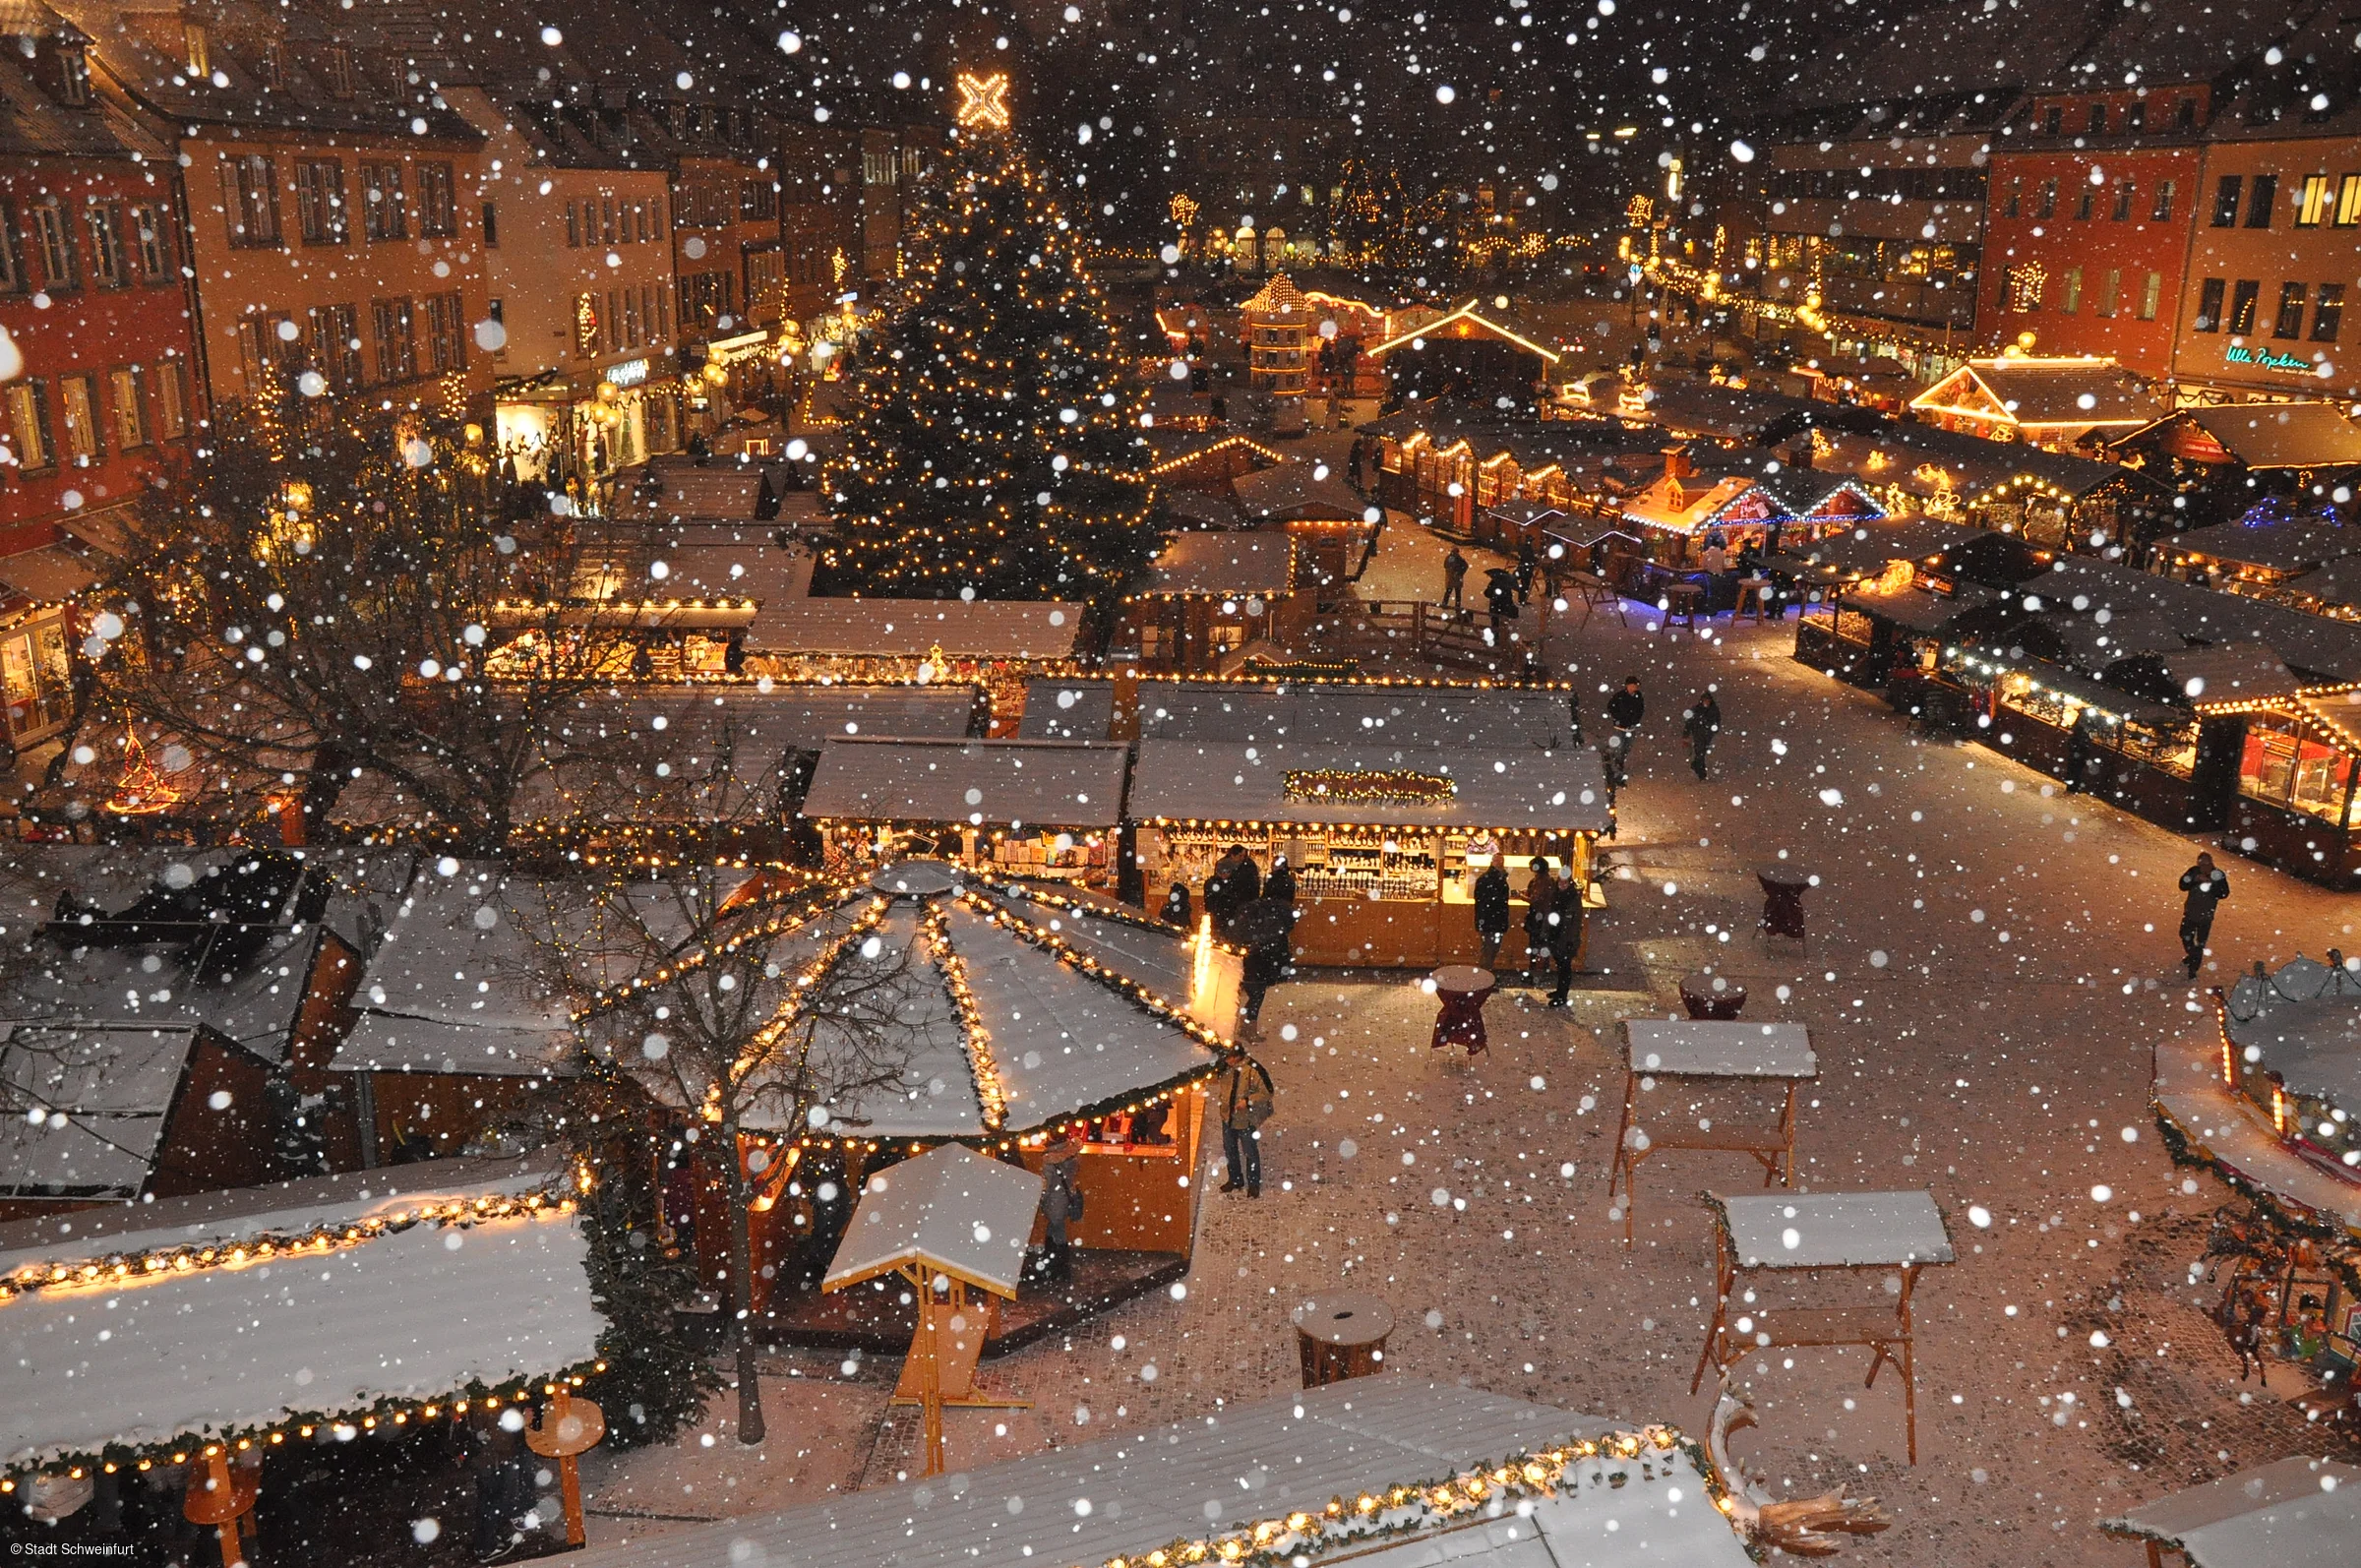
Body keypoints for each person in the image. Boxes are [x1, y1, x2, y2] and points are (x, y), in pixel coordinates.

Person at [1216, 1045, 1275, 1197]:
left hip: (1246, 1119)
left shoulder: (1253, 1070)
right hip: (1228, 1116)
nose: (1226, 1061)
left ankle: (1253, 1184)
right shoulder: (1225, 1067)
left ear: (1236, 1057)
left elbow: (1267, 1092)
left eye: (1229, 1058)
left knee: (1250, 1151)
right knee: (1230, 1149)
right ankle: (1235, 1179)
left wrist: (1248, 1101)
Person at [1034, 1136, 1081, 1286]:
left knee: (1057, 1231)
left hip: (1054, 1201)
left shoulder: (1049, 1160)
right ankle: (1056, 1265)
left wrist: (1039, 1200)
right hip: (1065, 1198)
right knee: (1055, 1229)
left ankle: (1055, 1266)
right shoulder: (1072, 1153)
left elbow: (1045, 1186)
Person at [2178, 853, 2230, 979]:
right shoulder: (2194, 871)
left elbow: (2224, 893)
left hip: (2205, 916)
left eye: (2207, 864)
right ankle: (2192, 956)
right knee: (2185, 936)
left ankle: (2193, 968)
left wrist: (2211, 885)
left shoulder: (2218, 875)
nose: (2204, 867)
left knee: (2200, 943)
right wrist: (2194, 880)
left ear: (2211, 863)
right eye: (2201, 864)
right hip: (2190, 912)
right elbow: (2182, 885)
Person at [1544, 865, 1585, 1007]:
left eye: (1565, 882)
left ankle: (1562, 995)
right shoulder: (1555, 894)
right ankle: (1559, 991)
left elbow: (1575, 922)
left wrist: (1570, 940)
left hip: (1566, 938)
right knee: (1560, 965)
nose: (1562, 885)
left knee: (1564, 967)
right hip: (1556, 934)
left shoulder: (1573, 898)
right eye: (1560, 882)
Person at [1522, 856, 1558, 985]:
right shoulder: (1546, 880)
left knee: (1537, 946)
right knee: (1539, 946)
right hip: (1543, 917)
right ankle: (1536, 974)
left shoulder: (1542, 881)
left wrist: (1521, 896)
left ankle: (1536, 975)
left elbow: (1535, 900)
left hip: (1540, 918)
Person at [1605, 675, 1645, 790]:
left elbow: (1640, 709)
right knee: (1620, 748)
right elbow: (1611, 707)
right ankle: (1618, 772)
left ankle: (1619, 764)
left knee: (1627, 748)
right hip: (1620, 728)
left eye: (1635, 686)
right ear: (1627, 686)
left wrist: (1635, 720)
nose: (1634, 688)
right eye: (1632, 685)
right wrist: (1618, 718)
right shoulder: (1620, 696)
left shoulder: (1638, 696)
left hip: (1631, 728)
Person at [1473, 859, 1512, 972]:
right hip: (1494, 920)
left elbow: (1480, 900)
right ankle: (1485, 974)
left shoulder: (1485, 879)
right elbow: (1497, 902)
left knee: (1487, 949)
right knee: (1490, 950)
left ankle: (1485, 974)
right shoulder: (1497, 880)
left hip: (1487, 919)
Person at [1683, 690, 1722, 781]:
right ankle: (1701, 773)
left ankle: (1697, 767)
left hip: (1707, 735)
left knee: (1701, 753)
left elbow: (1717, 721)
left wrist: (1713, 730)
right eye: (1705, 700)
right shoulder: (1697, 710)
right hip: (1698, 734)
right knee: (1700, 753)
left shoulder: (1713, 710)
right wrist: (1686, 734)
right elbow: (1689, 723)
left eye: (1708, 700)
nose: (1706, 702)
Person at [1441, 546, 1469, 611]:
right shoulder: (1460, 559)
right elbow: (1465, 566)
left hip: (1451, 578)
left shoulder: (1450, 558)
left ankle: (1445, 604)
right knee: (1457, 593)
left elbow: (1446, 566)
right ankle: (1457, 606)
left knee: (1449, 592)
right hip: (1457, 578)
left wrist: (1453, 571)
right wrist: (1460, 572)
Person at [1515, 537, 1538, 604]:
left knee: (1524, 584)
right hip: (1526, 569)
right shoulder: (1527, 548)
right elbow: (1528, 557)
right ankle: (1522, 599)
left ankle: (1522, 599)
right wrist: (1534, 560)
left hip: (1525, 568)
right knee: (1525, 585)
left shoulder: (1524, 547)